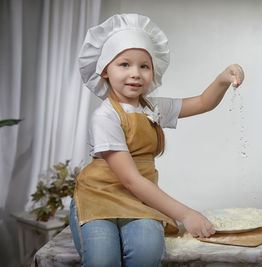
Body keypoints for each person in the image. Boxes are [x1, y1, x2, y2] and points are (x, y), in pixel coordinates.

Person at [69, 13, 244, 267]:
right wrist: (186, 214)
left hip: (140, 200)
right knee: (103, 260)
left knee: (146, 253)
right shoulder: (105, 116)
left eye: (144, 66)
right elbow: (130, 179)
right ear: (105, 70)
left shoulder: (153, 107)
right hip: (98, 198)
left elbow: (203, 102)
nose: (136, 73)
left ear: (153, 71)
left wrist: (223, 79)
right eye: (124, 64)